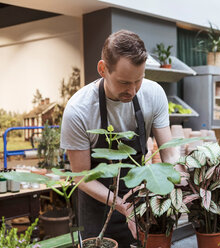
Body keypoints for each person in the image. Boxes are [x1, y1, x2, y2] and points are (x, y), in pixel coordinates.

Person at [60, 29, 178, 248]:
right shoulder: (79, 110)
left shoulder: (154, 94)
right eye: (124, 82)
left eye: (139, 80)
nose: (132, 91)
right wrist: (123, 205)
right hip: (97, 208)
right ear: (103, 69)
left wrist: (172, 185)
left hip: (141, 198)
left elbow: (169, 153)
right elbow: (81, 176)